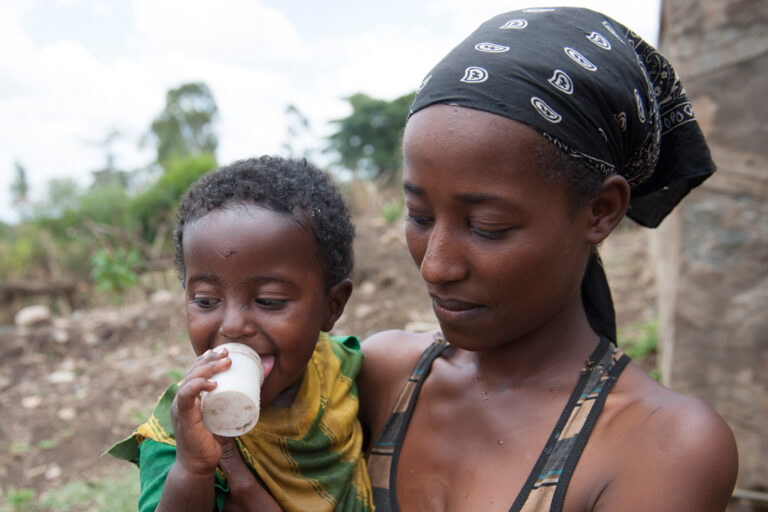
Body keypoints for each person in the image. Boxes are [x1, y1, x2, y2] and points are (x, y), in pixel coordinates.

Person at [358, 7, 738, 512]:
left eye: (487, 227)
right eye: (419, 216)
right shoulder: (380, 376)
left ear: (601, 211)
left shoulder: (660, 445)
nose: (436, 266)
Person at [108, 156, 373, 512]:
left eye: (269, 300)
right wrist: (194, 468)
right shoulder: (177, 435)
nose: (232, 326)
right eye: (205, 300)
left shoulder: (343, 369)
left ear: (332, 307)